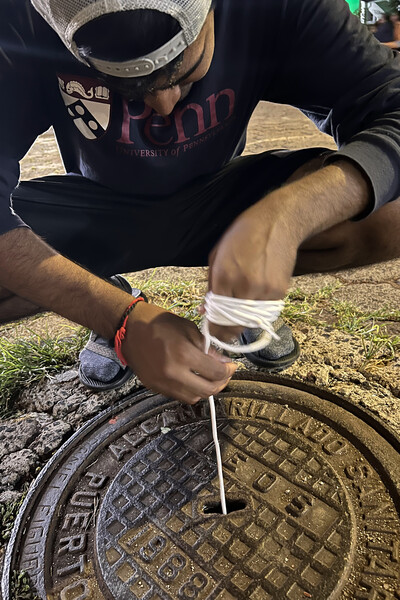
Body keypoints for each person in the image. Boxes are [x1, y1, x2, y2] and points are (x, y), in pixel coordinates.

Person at [1, 0, 400, 405]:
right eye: (129, 90)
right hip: (94, 211)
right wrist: (116, 316)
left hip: (224, 200)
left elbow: (391, 104)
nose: (164, 106)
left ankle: (242, 291)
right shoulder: (19, 19)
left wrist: (287, 218)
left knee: (390, 207)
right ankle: (103, 288)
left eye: (185, 74)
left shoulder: (277, 7)